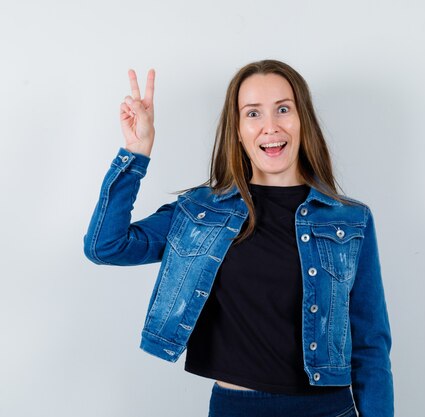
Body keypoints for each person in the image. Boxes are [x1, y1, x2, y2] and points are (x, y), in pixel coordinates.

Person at [84, 59, 393, 417]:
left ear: (302, 119)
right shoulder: (200, 213)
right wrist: (135, 153)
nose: (270, 127)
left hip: (327, 409)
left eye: (283, 109)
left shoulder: (350, 221)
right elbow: (106, 246)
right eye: (253, 114)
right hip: (236, 408)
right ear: (238, 129)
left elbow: (370, 345)